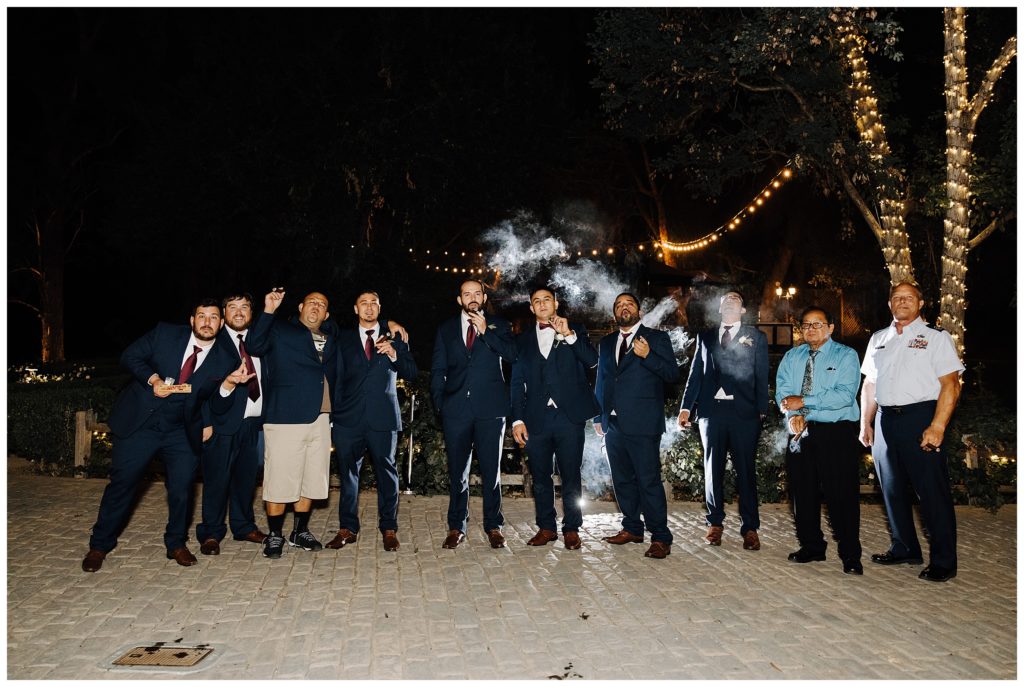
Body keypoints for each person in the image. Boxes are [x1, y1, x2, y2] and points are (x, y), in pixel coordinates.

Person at [81, 299, 247, 571]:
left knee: (182, 489)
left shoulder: (226, 359)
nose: (207, 322)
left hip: (181, 429)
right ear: (192, 320)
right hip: (142, 422)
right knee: (123, 484)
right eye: (202, 316)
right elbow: (130, 357)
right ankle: (100, 545)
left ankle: (176, 544)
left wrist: (228, 385)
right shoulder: (165, 334)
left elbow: (215, 402)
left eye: (214, 317)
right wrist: (153, 379)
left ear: (221, 323)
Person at [860, 282, 964, 582]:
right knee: (891, 489)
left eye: (908, 298)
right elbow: (870, 384)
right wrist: (865, 423)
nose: (901, 302)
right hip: (884, 420)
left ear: (920, 304)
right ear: (889, 304)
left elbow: (950, 385)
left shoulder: (935, 338)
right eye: (896, 298)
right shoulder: (880, 339)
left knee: (932, 492)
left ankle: (944, 561)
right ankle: (904, 547)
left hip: (920, 418)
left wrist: (938, 426)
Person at [244, 289, 338, 558]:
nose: (316, 307)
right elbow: (254, 345)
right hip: (285, 416)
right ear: (300, 307)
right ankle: (275, 535)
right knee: (279, 480)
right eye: (311, 302)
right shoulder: (280, 330)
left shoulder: (330, 337)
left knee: (312, 479)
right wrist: (269, 310)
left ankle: (300, 531)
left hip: (321, 417)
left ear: (326, 314)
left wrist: (390, 323)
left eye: (322, 304)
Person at [326, 291, 418, 552]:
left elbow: (411, 373)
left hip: (383, 418)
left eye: (373, 304)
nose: (368, 308)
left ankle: (389, 529)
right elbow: (335, 378)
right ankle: (347, 529)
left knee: (387, 473)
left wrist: (394, 355)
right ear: (355, 309)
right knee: (348, 475)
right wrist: (333, 416)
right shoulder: (342, 338)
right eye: (363, 304)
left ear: (380, 308)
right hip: (347, 418)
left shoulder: (396, 337)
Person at [430, 279, 518, 549]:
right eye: (466, 294)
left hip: (490, 410)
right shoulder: (446, 329)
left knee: (491, 472)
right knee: (458, 472)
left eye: (476, 293)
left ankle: (494, 526)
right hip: (456, 410)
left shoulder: (499, 326)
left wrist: (485, 333)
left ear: (483, 297)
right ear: (459, 299)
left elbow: (513, 355)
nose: (472, 297)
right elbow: (438, 370)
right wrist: (440, 405)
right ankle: (457, 526)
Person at [510, 287, 600, 550]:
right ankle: (546, 527)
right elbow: (516, 383)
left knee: (571, 475)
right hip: (535, 418)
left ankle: (572, 528)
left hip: (568, 417)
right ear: (531, 308)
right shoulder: (522, 340)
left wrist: (568, 335)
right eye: (536, 301)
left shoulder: (576, 330)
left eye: (546, 299)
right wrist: (517, 420)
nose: (541, 304)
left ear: (556, 304)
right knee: (540, 477)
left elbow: (592, 361)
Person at [678, 290, 768, 551]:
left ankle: (750, 528)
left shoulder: (756, 337)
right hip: (711, 413)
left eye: (736, 300)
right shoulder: (705, 337)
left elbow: (761, 375)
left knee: (746, 471)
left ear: (742, 311)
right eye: (726, 300)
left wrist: (761, 410)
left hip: (744, 413)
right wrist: (686, 408)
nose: (730, 302)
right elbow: (695, 374)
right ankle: (714, 523)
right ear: (719, 309)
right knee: (712, 469)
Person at [776, 306, 863, 575]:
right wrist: (792, 416)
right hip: (801, 431)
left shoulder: (846, 355)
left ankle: (850, 555)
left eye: (818, 324)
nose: (811, 329)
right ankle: (812, 546)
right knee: (803, 493)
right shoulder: (792, 356)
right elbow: (784, 392)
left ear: (831, 328)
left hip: (836, 432)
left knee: (842, 495)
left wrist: (805, 402)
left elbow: (844, 396)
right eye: (806, 325)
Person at [594, 292, 679, 559]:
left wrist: (648, 355)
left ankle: (661, 537)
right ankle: (632, 527)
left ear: (639, 311)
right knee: (622, 480)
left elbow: (672, 375)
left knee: (648, 481)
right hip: (614, 423)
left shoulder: (656, 338)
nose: (624, 307)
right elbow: (602, 380)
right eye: (619, 305)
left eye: (629, 303)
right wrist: (599, 416)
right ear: (614, 314)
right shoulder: (606, 342)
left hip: (643, 423)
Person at [196, 293, 269, 556]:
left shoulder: (260, 340)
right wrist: (204, 421)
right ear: (224, 313)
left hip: (252, 424)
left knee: (246, 480)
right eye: (233, 308)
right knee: (217, 481)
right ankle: (211, 533)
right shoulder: (213, 341)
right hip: (220, 424)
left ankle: (243, 526)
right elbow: (199, 387)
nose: (239, 312)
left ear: (252, 312)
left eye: (245, 307)